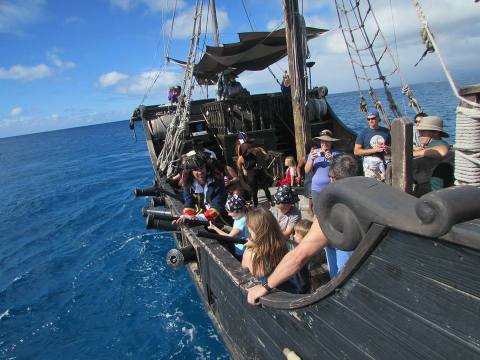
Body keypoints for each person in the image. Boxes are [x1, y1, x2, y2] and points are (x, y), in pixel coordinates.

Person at [246, 154, 358, 305]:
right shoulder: (364, 196)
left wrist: (265, 285)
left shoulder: (330, 212)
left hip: (346, 281)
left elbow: (300, 255)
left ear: (332, 178)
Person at [242, 207, 308, 294]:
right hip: (298, 294)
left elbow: (244, 267)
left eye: (250, 230)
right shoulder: (293, 246)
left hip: (275, 298)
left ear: (254, 231)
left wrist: (248, 248)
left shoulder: (251, 254)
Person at [173, 152, 228, 224]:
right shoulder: (189, 185)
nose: (200, 172)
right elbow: (189, 203)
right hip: (200, 218)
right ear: (190, 172)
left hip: (220, 219)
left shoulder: (217, 182)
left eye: (202, 168)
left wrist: (197, 218)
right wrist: (186, 216)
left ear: (206, 167)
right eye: (196, 170)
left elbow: (217, 205)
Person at [305, 129, 340, 212]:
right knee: (317, 212)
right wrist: (312, 160)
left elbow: (339, 172)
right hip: (316, 188)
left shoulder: (337, 154)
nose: (324, 144)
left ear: (331, 142)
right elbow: (306, 171)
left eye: (327, 141)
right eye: (322, 141)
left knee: (331, 211)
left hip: (332, 189)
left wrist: (332, 160)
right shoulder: (314, 152)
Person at [413, 116, 450, 191]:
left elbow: (442, 151)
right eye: (419, 131)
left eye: (423, 131)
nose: (420, 134)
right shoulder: (433, 145)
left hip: (433, 194)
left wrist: (412, 153)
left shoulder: (439, 143)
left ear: (435, 133)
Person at [354, 109, 391, 181]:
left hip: (382, 163)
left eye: (373, 118)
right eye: (368, 119)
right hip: (369, 164)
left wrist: (387, 149)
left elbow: (391, 149)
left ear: (378, 118)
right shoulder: (363, 133)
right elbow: (356, 151)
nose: (371, 121)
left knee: (383, 184)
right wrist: (375, 150)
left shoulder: (386, 131)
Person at [237, 142, 273, 207]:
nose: (250, 149)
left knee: (265, 187)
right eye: (248, 148)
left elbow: (260, 148)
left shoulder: (253, 151)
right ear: (245, 150)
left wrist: (266, 154)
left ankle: (269, 199)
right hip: (250, 173)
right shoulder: (241, 158)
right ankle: (256, 205)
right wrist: (243, 170)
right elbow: (239, 167)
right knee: (254, 190)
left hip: (258, 170)